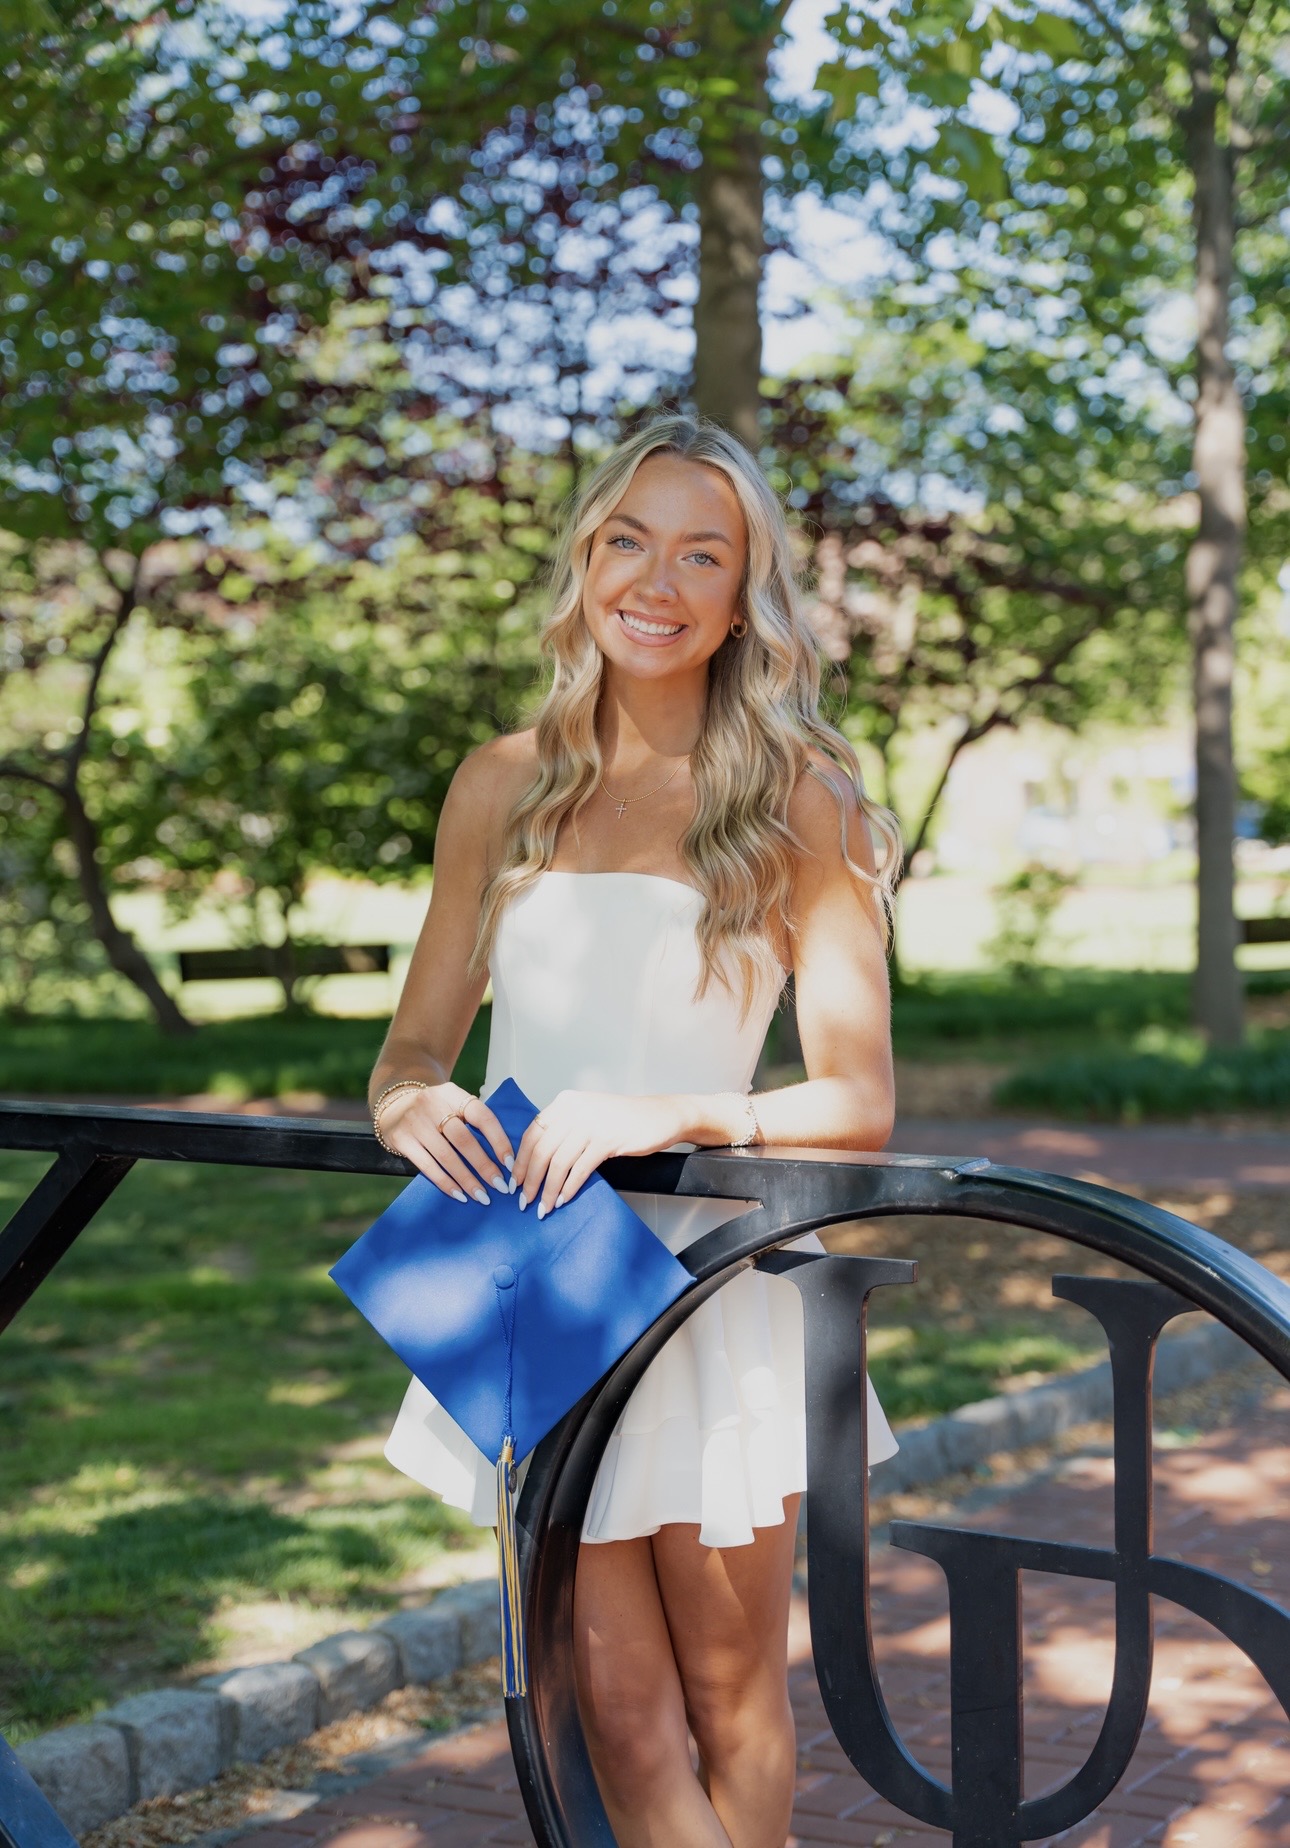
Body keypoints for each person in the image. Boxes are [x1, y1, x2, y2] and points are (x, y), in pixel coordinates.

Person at [367, 413, 899, 1848]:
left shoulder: (799, 797)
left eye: (700, 555)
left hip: (710, 1291)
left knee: (732, 1706)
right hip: (540, 1282)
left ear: (743, 597)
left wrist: (670, 1111)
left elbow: (859, 1101)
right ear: (586, 560)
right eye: (627, 541)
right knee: (608, 1710)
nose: (655, 582)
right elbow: (411, 1049)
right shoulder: (501, 782)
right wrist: (410, 1100)